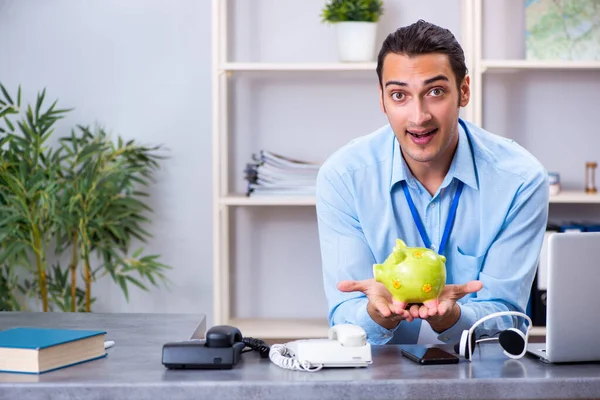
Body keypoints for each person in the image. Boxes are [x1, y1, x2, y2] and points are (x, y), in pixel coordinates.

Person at [315, 20, 549, 345]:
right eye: (399, 95)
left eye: (435, 92)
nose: (418, 115)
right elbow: (345, 315)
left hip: (480, 375)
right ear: (382, 101)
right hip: (380, 378)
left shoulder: (521, 180)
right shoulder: (343, 177)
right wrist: (375, 314)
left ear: (463, 91)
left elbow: (507, 316)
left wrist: (454, 318)